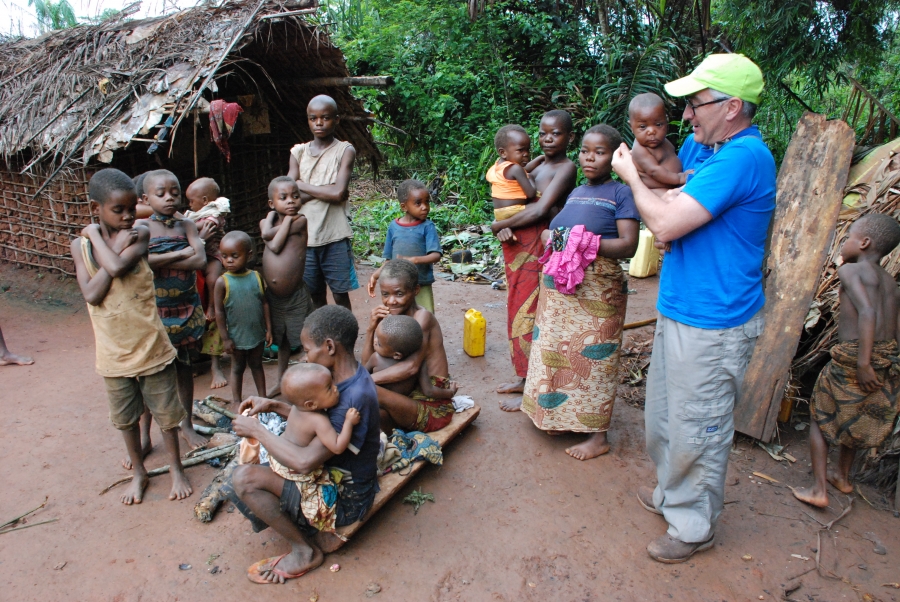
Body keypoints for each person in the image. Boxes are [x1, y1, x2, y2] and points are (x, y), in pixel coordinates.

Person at [611, 54, 776, 563]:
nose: (685, 116)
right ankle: (670, 494)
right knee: (665, 416)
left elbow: (663, 222)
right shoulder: (702, 148)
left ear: (731, 107)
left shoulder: (743, 157)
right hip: (681, 304)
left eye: (695, 105)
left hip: (715, 318)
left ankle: (693, 523)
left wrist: (631, 177)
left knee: (699, 423)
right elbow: (676, 205)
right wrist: (665, 210)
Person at [230, 305, 380, 584]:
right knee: (248, 473)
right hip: (329, 471)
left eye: (308, 349)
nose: (305, 356)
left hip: (346, 496)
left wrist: (257, 431)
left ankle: (305, 551)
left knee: (244, 479)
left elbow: (303, 461)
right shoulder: (339, 380)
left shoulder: (350, 398)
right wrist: (274, 405)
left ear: (329, 346)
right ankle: (298, 525)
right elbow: (313, 420)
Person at [70, 168, 192, 505]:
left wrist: (98, 236)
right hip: (113, 353)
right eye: (117, 210)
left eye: (129, 208)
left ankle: (175, 467)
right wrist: (96, 239)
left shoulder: (138, 234)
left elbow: (120, 268)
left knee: (167, 415)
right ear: (96, 208)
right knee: (125, 419)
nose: (126, 217)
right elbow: (92, 294)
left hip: (150, 345)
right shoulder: (80, 246)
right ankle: (139, 472)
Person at [521, 124, 639, 461]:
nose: (590, 158)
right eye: (586, 150)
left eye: (599, 152)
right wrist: (552, 239)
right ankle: (554, 417)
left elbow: (628, 245)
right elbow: (561, 233)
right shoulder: (575, 192)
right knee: (553, 350)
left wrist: (585, 243)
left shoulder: (622, 193)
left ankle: (597, 435)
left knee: (594, 358)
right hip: (560, 289)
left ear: (616, 157)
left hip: (597, 292)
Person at [792, 215, 900, 508]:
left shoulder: (851, 272)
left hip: (855, 357)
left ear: (864, 243)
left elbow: (867, 313)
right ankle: (842, 476)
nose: (844, 242)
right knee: (856, 414)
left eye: (848, 236)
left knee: (820, 415)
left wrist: (863, 363)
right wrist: (884, 361)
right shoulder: (889, 281)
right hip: (884, 356)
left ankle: (818, 490)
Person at [491, 110, 578, 401]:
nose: (548, 139)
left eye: (556, 133)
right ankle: (523, 375)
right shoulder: (535, 165)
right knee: (518, 306)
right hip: (520, 242)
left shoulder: (566, 167)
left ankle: (534, 387)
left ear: (570, 138)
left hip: (542, 245)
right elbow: (514, 201)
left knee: (534, 311)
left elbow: (541, 211)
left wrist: (500, 225)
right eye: (543, 133)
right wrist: (504, 227)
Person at [137, 169, 209, 451]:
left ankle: (186, 424)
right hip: (155, 316)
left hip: (187, 311)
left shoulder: (187, 226)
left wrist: (163, 260)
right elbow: (145, 263)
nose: (169, 198)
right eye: (161, 193)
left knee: (185, 369)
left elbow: (200, 260)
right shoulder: (143, 229)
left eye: (174, 192)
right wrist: (181, 253)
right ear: (145, 198)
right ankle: (145, 433)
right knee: (151, 374)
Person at [362, 259, 457, 433]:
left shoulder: (422, 318)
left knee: (364, 390)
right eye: (385, 294)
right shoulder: (390, 318)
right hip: (406, 396)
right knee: (366, 408)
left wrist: (361, 381)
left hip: (432, 407)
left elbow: (411, 367)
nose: (391, 301)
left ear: (415, 291)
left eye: (399, 294)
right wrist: (371, 329)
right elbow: (368, 364)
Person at [288, 94, 358, 312]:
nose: (319, 123)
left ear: (336, 119)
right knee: (315, 295)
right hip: (306, 238)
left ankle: (346, 340)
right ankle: (325, 339)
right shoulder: (298, 152)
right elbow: (289, 194)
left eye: (325, 118)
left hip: (334, 236)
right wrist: (326, 189)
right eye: (313, 118)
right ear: (308, 120)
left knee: (340, 295)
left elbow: (338, 193)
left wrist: (302, 185)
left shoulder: (345, 150)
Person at [260, 176, 312, 397]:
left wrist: (286, 221)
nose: (291, 201)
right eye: (283, 198)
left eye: (295, 196)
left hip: (295, 295)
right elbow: (267, 235)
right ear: (272, 203)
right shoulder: (267, 223)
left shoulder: (299, 221)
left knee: (306, 337)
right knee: (281, 341)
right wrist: (275, 221)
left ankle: (311, 382)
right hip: (274, 296)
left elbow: (275, 243)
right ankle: (281, 381)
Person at [213, 231, 272, 406]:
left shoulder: (256, 277)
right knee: (237, 367)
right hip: (236, 337)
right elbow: (219, 312)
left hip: (257, 333)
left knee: (256, 364)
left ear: (249, 255)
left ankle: (263, 397)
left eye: (234, 256)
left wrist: (268, 329)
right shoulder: (222, 282)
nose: (229, 260)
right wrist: (225, 338)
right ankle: (237, 401)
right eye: (224, 256)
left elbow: (265, 303)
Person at [366, 179, 442, 313]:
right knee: (399, 318)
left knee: (424, 316)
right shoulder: (393, 227)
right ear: (404, 206)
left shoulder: (427, 227)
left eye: (427, 202)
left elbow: (436, 255)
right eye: (418, 203)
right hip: (398, 286)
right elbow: (389, 261)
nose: (424, 207)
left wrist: (414, 260)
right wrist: (375, 275)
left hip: (421, 283)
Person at [185, 176, 231, 389]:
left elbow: (207, 228)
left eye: (191, 201)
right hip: (194, 268)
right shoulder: (190, 216)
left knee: (213, 286)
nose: (188, 205)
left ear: (204, 200)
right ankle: (194, 360)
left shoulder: (214, 213)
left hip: (211, 257)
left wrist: (192, 230)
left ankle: (215, 366)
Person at [364, 314, 454, 399]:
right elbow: (428, 391)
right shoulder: (421, 362)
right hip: (402, 404)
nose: (375, 341)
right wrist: (450, 392)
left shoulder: (375, 358)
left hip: (378, 401)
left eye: (379, 344)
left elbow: (361, 374)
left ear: (397, 355)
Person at [628, 93, 692, 196]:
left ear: (666, 121)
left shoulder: (663, 141)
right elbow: (654, 171)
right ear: (631, 127)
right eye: (643, 126)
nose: (652, 131)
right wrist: (680, 178)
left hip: (672, 185)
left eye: (658, 124)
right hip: (655, 190)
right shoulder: (640, 150)